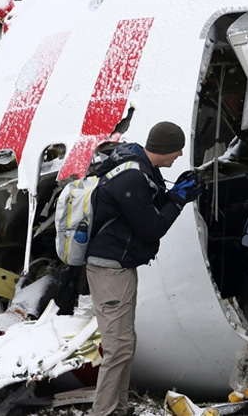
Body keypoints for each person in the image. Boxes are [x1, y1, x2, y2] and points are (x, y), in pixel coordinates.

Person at [85, 121, 201, 416]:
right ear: (165, 149)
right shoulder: (133, 178)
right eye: (177, 151)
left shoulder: (139, 167)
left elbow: (146, 207)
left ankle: (118, 409)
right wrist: (178, 199)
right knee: (118, 347)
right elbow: (152, 227)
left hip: (119, 267)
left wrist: (175, 191)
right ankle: (105, 412)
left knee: (125, 343)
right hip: (110, 270)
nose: (179, 155)